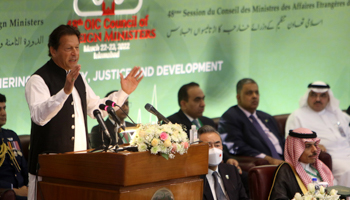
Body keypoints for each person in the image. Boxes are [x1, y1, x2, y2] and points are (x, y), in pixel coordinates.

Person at [25, 25, 143, 199]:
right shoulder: (38, 80)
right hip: (49, 172)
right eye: (68, 48)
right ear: (53, 50)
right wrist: (64, 91)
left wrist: (123, 93)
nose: (74, 53)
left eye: (77, 48)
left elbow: (96, 108)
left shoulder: (78, 76)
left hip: (79, 168)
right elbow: (39, 117)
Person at [285, 81, 350, 187]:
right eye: (314, 95)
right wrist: (313, 145)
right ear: (307, 96)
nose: (318, 99)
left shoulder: (338, 114)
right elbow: (292, 144)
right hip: (331, 157)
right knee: (348, 170)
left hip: (347, 153)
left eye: (322, 95)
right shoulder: (298, 116)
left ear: (329, 98)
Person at [218, 78, 285, 165]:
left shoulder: (266, 117)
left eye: (256, 92)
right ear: (238, 97)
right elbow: (236, 146)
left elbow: (282, 140)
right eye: (249, 93)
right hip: (265, 164)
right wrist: (268, 159)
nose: (254, 96)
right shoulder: (230, 117)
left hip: (284, 161)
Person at [269, 128, 334, 200]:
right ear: (295, 150)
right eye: (308, 146)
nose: (315, 149)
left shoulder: (321, 168)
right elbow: (278, 198)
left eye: (315, 145)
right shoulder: (286, 170)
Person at [198, 125, 249, 200]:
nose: (214, 149)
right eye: (208, 146)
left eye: (217, 145)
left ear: (222, 147)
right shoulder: (195, 178)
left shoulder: (231, 170)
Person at [0, 93, 28, 200]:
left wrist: (30, 186)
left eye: (4, 108)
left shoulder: (12, 135)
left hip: (22, 189)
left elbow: (24, 166)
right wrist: (12, 189)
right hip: (6, 192)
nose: (3, 113)